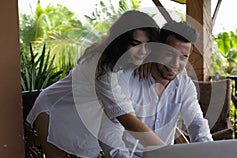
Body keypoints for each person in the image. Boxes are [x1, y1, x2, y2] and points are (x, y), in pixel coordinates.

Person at [26, 10, 160, 158]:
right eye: (136, 44)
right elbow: (126, 119)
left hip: (84, 118)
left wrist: (150, 62)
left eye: (148, 46)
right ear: (120, 41)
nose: (143, 51)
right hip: (54, 110)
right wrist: (167, 151)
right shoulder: (102, 67)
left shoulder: (126, 60)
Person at [99, 21, 213, 158]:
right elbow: (110, 131)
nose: (175, 64)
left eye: (183, 57)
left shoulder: (184, 85)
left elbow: (196, 123)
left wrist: (208, 152)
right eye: (169, 54)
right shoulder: (125, 79)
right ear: (156, 50)